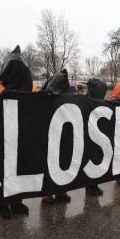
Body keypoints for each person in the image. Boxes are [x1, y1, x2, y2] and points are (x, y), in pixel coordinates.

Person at [0, 45, 33, 219]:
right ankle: (2, 204)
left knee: (18, 167)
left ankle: (17, 201)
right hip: (2, 134)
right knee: (2, 167)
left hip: (20, 132)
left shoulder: (27, 84)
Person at [41, 69, 73, 204]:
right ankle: (47, 194)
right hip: (50, 133)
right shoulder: (46, 95)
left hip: (63, 132)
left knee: (63, 161)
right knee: (50, 163)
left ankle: (61, 191)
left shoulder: (66, 92)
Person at [85, 78, 107, 195]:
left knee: (94, 159)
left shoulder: (88, 101)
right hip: (90, 136)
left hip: (96, 136)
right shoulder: (87, 102)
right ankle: (91, 186)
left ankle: (92, 186)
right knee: (92, 159)